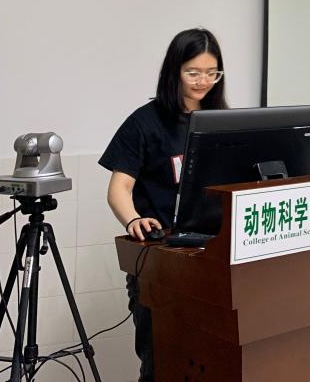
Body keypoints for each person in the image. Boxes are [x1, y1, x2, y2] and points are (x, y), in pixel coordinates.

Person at [98, 28, 227, 382]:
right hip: (160, 261)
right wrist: (133, 220)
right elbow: (119, 188)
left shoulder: (221, 121)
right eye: (193, 72)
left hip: (210, 256)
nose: (203, 81)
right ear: (174, 71)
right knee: (161, 363)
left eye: (212, 73)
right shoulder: (145, 122)